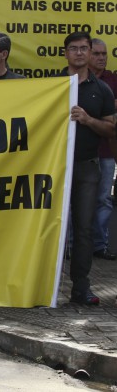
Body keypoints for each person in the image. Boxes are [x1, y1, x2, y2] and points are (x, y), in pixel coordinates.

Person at [61, 31, 116, 305]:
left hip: (86, 166)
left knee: (83, 229)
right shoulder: (53, 85)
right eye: (74, 48)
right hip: (55, 167)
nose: (80, 53)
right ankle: (42, 287)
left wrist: (87, 119)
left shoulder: (101, 89)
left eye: (84, 48)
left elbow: (109, 128)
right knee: (49, 226)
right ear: (66, 53)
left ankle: (80, 288)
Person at [87, 38, 117, 260]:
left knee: (104, 199)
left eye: (104, 54)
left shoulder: (113, 80)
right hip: (81, 150)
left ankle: (100, 245)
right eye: (97, 53)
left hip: (107, 150)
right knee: (72, 200)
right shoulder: (72, 80)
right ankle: (69, 246)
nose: (102, 57)